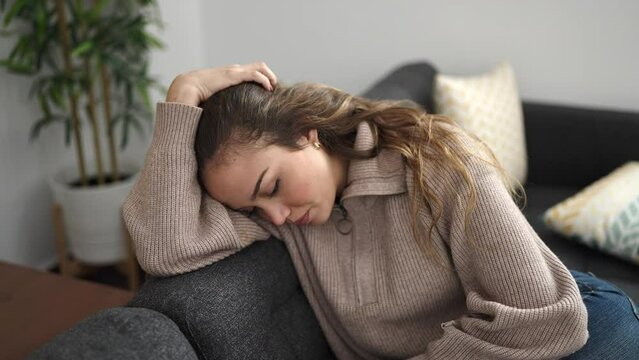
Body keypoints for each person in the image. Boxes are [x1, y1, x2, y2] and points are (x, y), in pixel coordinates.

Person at [123, 62, 639, 359]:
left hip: (575, 321)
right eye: (253, 205)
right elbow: (165, 248)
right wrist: (180, 99)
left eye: (272, 185)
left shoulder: (438, 161)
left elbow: (547, 319)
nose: (273, 216)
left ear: (308, 130)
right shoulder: (282, 220)